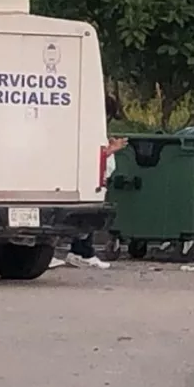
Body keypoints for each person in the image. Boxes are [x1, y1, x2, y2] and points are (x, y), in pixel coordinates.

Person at [64, 95, 126, 269]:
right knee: (87, 213)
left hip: (95, 176)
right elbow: (89, 156)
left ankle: (80, 251)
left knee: (86, 214)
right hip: (90, 176)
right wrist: (110, 151)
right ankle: (83, 252)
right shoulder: (87, 128)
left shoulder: (85, 126)